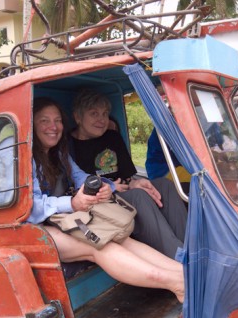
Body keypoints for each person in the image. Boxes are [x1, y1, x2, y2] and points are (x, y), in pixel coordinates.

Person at [26, 97, 184, 302]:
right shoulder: (19, 156)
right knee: (100, 245)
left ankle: (184, 273)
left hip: (60, 218)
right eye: (44, 121)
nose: (53, 127)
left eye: (57, 121)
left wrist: (104, 187)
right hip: (29, 228)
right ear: (31, 125)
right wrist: (72, 203)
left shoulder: (58, 153)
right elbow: (28, 206)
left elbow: (81, 176)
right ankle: (176, 284)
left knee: (119, 236)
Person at [69, 90, 188, 259]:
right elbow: (76, 184)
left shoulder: (112, 137)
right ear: (78, 117)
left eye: (104, 114)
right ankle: (179, 258)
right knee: (139, 196)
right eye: (94, 114)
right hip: (99, 200)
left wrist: (134, 183)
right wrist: (112, 188)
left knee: (164, 185)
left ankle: (189, 247)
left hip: (124, 190)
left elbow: (127, 175)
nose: (101, 120)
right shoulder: (69, 146)